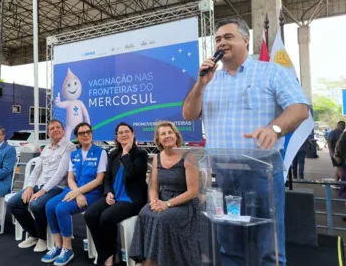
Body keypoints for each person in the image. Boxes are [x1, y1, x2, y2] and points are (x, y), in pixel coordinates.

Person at [182, 18, 310, 265]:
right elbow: (188, 114)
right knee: (228, 242)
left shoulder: (270, 72)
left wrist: (274, 128)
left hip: (260, 171)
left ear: (245, 41)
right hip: (221, 173)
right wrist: (200, 83)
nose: (222, 42)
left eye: (228, 37)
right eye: (218, 39)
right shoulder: (209, 81)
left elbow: (300, 108)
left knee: (268, 245)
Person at [129, 121, 200, 266]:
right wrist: (155, 201)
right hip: (162, 200)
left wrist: (166, 204)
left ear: (176, 135)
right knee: (144, 212)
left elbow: (193, 192)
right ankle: (143, 259)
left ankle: (155, 262)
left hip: (184, 204)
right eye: (163, 134)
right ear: (158, 139)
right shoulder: (157, 158)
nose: (167, 136)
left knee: (162, 219)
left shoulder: (188, 157)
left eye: (170, 132)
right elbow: (154, 186)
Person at [43, 122, 107, 266]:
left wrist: (80, 192)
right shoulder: (74, 154)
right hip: (74, 190)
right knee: (49, 206)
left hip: (92, 193)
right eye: (82, 133)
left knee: (61, 209)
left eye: (88, 132)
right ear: (76, 137)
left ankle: (68, 248)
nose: (86, 135)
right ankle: (57, 246)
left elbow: (99, 180)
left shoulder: (100, 152)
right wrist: (77, 192)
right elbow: (71, 178)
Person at [84, 122, 148, 266]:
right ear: (117, 137)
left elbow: (132, 173)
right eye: (120, 132)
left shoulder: (141, 154)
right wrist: (108, 193)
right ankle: (109, 253)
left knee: (106, 218)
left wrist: (126, 154)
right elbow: (107, 179)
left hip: (131, 199)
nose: (124, 134)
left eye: (127, 132)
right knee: (90, 215)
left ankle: (110, 255)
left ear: (133, 134)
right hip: (115, 196)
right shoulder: (113, 154)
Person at [8, 120, 76, 252]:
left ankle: (43, 238)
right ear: (48, 133)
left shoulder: (69, 147)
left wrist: (43, 191)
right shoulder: (46, 148)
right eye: (52, 128)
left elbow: (60, 173)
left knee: (36, 205)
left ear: (63, 130)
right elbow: (36, 170)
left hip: (57, 187)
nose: (55, 130)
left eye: (58, 127)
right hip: (39, 185)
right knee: (13, 203)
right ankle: (33, 234)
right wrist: (29, 187)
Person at [328, 121, 345, 189]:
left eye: (343, 125)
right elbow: (329, 143)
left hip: (341, 154)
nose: (342, 126)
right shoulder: (333, 132)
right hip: (336, 154)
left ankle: (336, 183)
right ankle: (343, 184)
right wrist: (332, 154)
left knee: (339, 168)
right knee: (339, 168)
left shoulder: (343, 133)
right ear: (338, 125)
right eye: (341, 125)